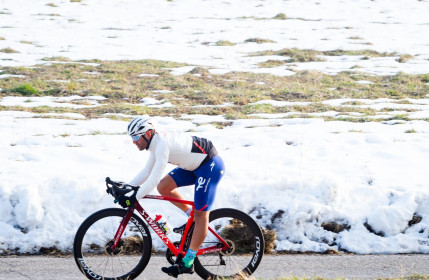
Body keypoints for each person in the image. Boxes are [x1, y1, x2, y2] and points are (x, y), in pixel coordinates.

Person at [116, 116, 225, 278]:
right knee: (164, 187)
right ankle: (191, 216)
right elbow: (147, 172)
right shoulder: (154, 144)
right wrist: (126, 187)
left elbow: (153, 178)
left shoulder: (161, 144)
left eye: (136, 137)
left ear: (148, 133)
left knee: (202, 214)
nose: (134, 142)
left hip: (209, 165)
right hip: (192, 164)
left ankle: (188, 262)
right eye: (132, 138)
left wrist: (135, 196)